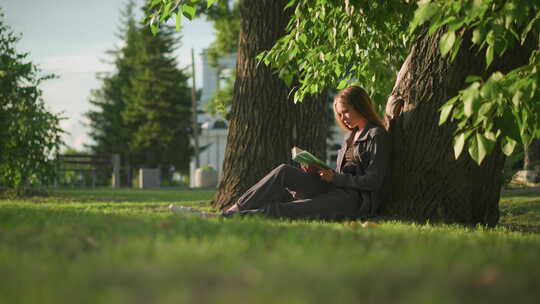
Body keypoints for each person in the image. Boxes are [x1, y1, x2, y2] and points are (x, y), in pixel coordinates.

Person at [171, 86, 391, 220]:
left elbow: (374, 180)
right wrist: (317, 171)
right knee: (284, 171)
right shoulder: (350, 137)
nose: (343, 119)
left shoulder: (376, 135)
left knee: (286, 210)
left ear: (361, 107)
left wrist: (336, 178)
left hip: (355, 201)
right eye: (340, 114)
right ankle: (234, 209)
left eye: (346, 113)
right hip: (336, 188)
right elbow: (340, 175)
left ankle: (221, 218)